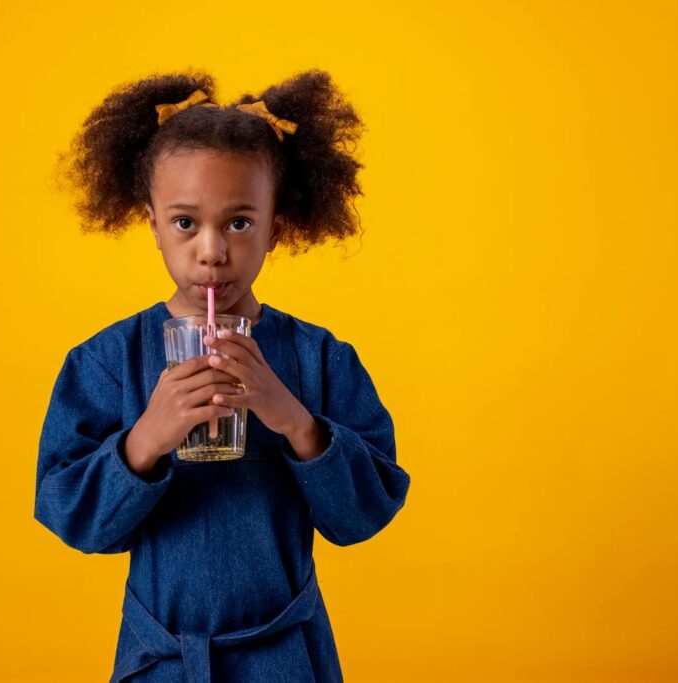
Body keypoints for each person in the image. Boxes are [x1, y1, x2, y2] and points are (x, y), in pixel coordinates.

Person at [34, 68, 411, 683]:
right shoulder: (106, 361)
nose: (212, 251)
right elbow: (71, 518)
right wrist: (145, 439)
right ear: (152, 225)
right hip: (162, 661)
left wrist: (292, 419)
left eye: (239, 222)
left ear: (275, 229)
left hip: (287, 659)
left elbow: (365, 514)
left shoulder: (320, 359)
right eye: (186, 222)